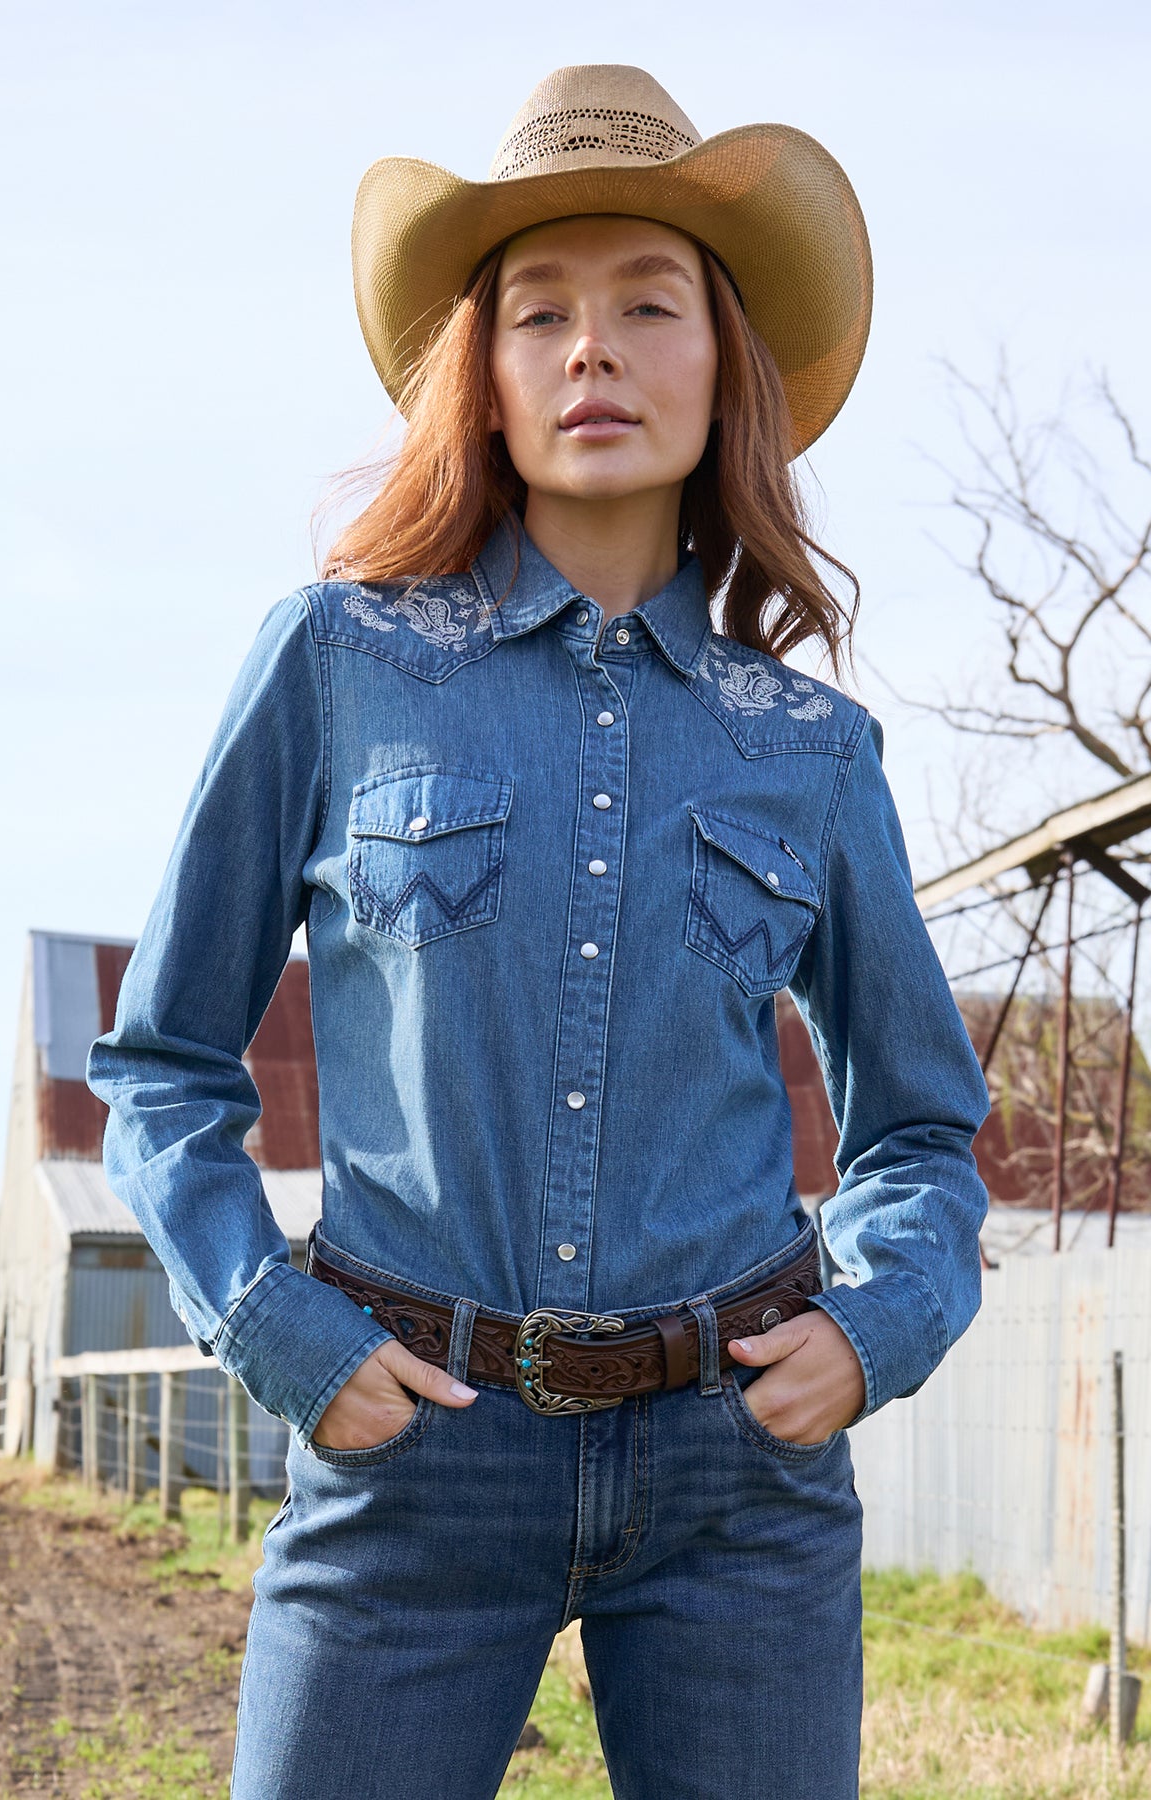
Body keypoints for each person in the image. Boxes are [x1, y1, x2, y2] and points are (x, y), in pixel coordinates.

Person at [86, 63, 990, 1800]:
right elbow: (165, 1066)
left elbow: (925, 1129)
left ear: (723, 366)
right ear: (482, 383)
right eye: (542, 314)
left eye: (649, 305)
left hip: (740, 1477)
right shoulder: (338, 661)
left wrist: (877, 1333)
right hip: (408, 1453)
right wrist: (278, 1328)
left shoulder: (806, 747)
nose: (595, 350)